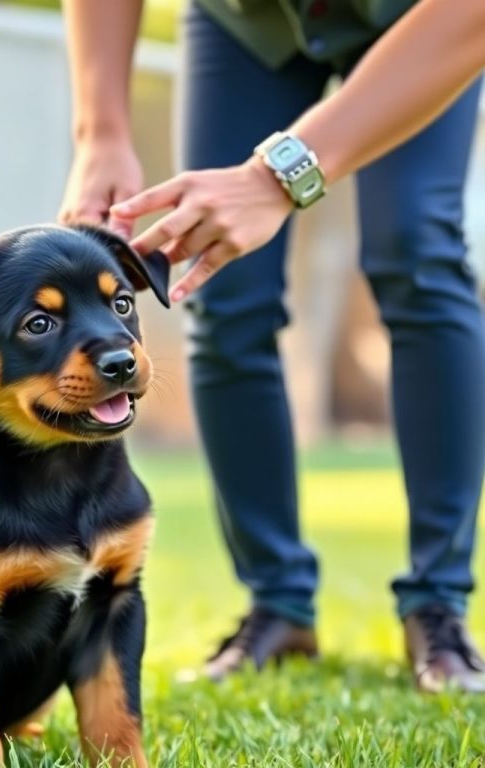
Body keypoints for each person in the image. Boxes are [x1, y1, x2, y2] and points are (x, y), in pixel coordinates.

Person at [59, 0, 485, 693]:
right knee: (222, 288)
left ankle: (438, 605)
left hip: (419, 16)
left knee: (417, 252)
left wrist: (273, 178)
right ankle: (278, 605)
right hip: (245, 22)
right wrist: (100, 130)